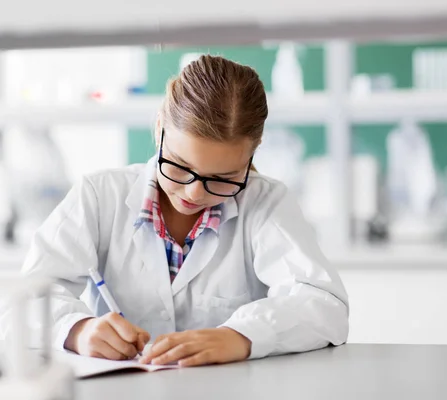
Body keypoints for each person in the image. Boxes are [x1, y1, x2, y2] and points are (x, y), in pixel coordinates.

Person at [20, 55, 349, 367]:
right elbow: (25, 300)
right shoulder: (99, 196)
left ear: (251, 155)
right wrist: (77, 330)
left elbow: (324, 307)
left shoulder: (265, 204)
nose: (194, 192)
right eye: (179, 166)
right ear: (160, 126)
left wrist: (241, 336)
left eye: (223, 178)